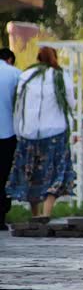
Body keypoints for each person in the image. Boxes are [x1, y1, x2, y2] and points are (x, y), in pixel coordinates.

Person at [6, 46, 76, 217]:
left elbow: (18, 106)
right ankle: (46, 213)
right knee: (55, 174)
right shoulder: (61, 76)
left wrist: (19, 130)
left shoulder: (25, 76)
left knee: (32, 174)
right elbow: (71, 103)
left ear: (37, 59)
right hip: (55, 133)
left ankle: (35, 214)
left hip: (28, 134)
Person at [0, 48, 21, 230]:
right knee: (4, 175)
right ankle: (1, 217)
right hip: (6, 133)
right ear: (9, 59)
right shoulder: (15, 73)